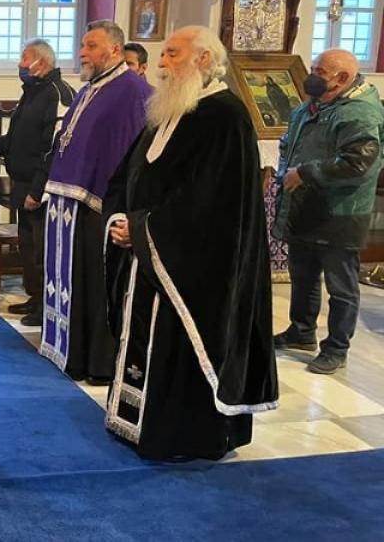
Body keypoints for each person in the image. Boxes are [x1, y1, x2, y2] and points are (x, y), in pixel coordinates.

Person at [103, 25, 278, 460]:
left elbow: (209, 204)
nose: (161, 64)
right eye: (163, 54)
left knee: (179, 346)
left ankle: (180, 435)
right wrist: (121, 218)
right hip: (150, 250)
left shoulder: (225, 116)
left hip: (194, 267)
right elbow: (131, 173)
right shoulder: (171, 108)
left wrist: (141, 229)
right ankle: (135, 421)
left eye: (172, 54)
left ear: (203, 59)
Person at [41, 20, 149, 384]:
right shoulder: (91, 88)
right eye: (82, 45)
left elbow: (128, 152)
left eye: (91, 46)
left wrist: (120, 205)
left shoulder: (132, 90)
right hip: (71, 205)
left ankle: (98, 362)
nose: (82, 53)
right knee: (77, 283)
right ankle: (73, 354)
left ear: (115, 50)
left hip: (99, 207)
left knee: (97, 288)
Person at [272, 49, 384, 375]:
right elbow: (288, 143)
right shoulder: (312, 105)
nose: (312, 76)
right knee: (303, 274)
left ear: (342, 78)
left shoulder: (361, 112)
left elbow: (358, 162)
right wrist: (286, 170)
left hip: (341, 211)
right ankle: (301, 331)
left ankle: (336, 347)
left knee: (340, 285)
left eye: (320, 72)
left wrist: (305, 172)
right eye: (313, 68)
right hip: (306, 205)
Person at [0, 39, 75, 326]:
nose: (20, 64)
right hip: (22, 183)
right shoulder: (31, 92)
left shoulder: (57, 94)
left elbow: (52, 148)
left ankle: (47, 307)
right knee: (28, 247)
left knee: (43, 249)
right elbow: (19, 138)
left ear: (42, 61)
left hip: (43, 189)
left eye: (25, 58)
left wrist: (38, 190)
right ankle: (35, 297)